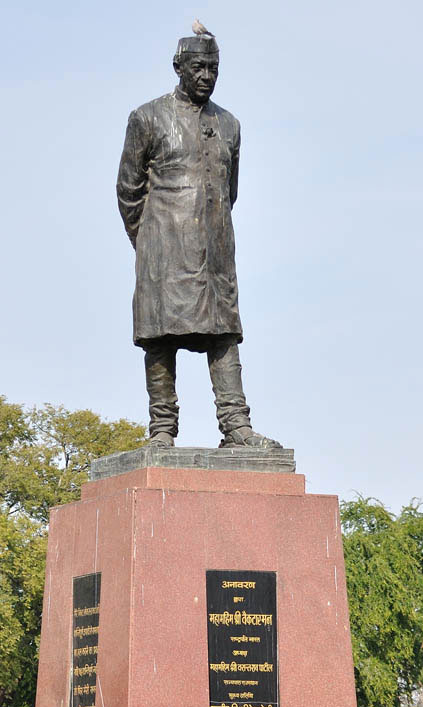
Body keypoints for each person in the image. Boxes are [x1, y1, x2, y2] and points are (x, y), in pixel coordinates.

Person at [117, 30, 281, 449]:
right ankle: (162, 429)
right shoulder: (147, 118)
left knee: (223, 332)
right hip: (162, 247)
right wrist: (150, 241)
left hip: (216, 249)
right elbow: (128, 190)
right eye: (198, 68)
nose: (206, 76)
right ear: (178, 68)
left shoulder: (229, 125)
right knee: (159, 336)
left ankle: (236, 425)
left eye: (213, 69)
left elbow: (230, 191)